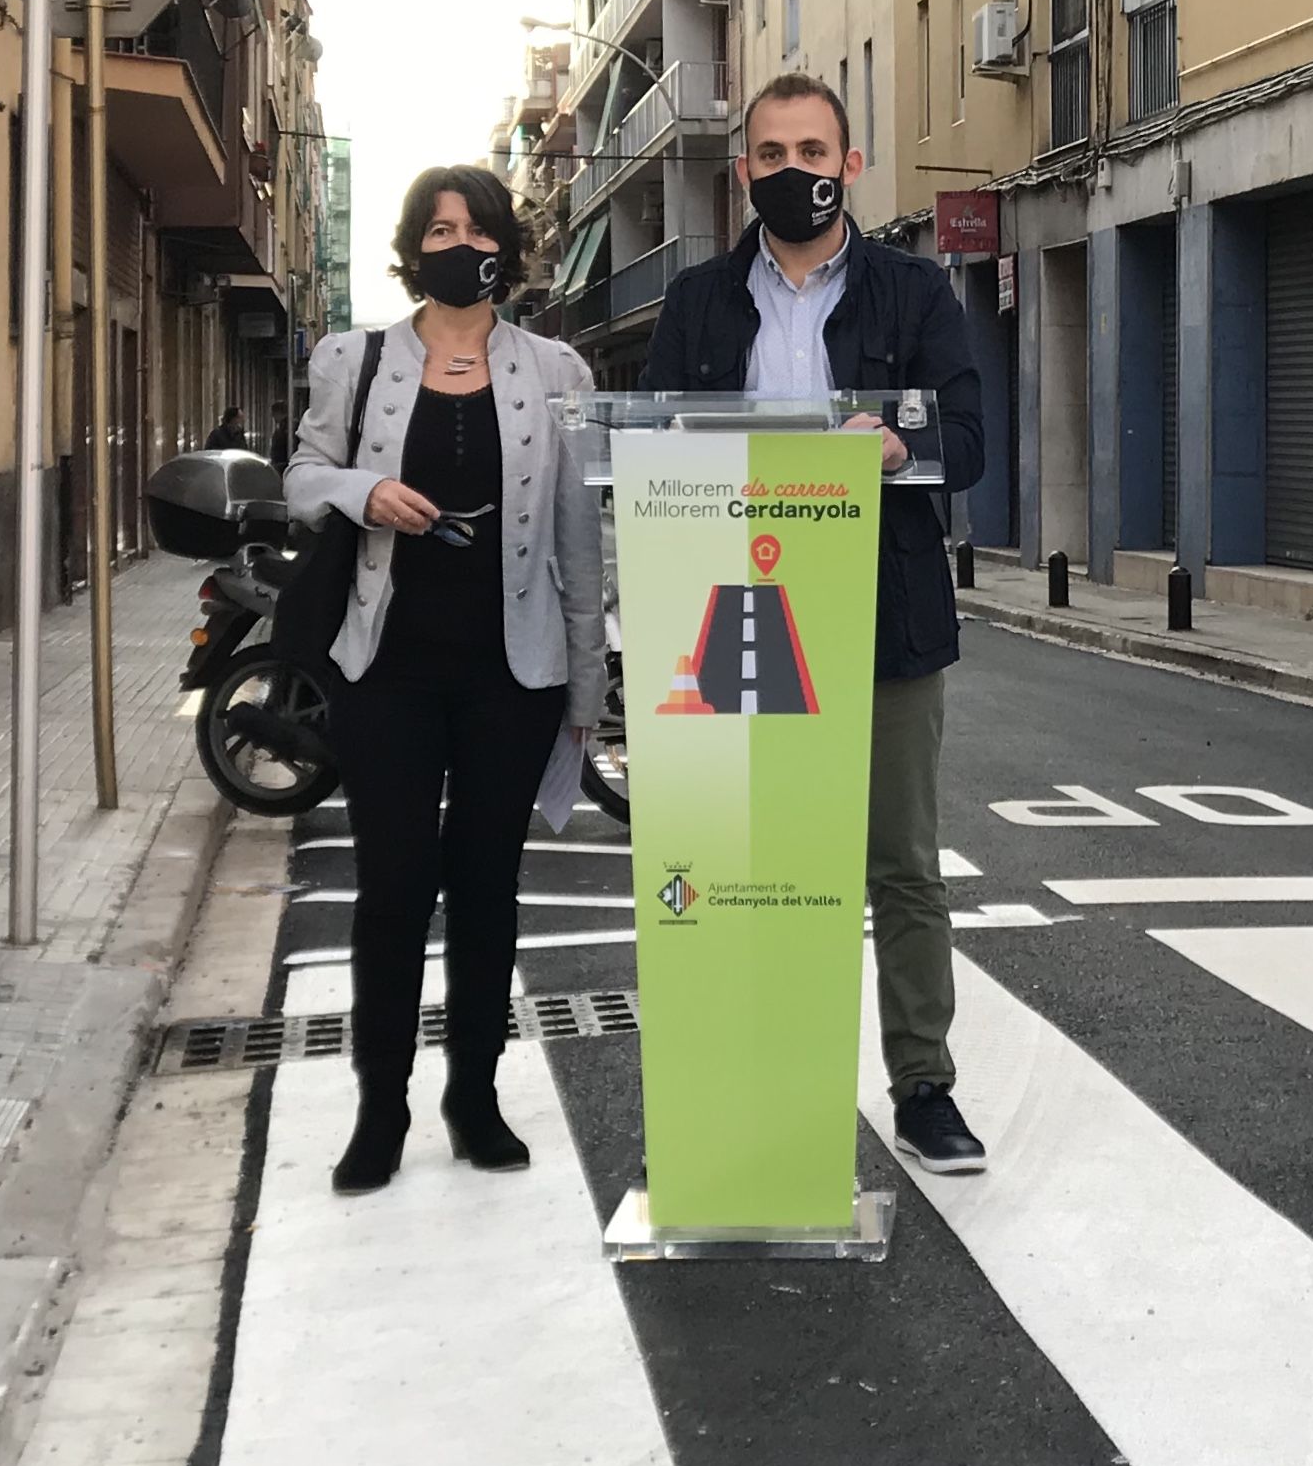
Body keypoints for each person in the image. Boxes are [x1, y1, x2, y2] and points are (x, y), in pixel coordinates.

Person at [642, 74, 988, 1173]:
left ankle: (922, 1084)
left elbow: (968, 435)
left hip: (881, 612)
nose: (795, 170)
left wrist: (901, 447)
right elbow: (646, 443)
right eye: (773, 153)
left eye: (814, 150)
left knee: (901, 862)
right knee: (749, 864)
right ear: (744, 172)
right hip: (736, 613)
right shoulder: (698, 302)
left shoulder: (912, 292)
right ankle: (757, 1091)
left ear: (849, 163)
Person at [286, 165, 604, 1196]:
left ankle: (475, 1095)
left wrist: (585, 685)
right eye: (435, 229)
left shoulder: (557, 371)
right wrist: (363, 489)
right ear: (411, 246)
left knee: (484, 888)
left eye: (472, 229)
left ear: (504, 246)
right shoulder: (357, 359)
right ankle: (381, 1107)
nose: (454, 244)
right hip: (387, 670)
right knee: (389, 889)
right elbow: (299, 481)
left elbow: (576, 539)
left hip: (510, 675)